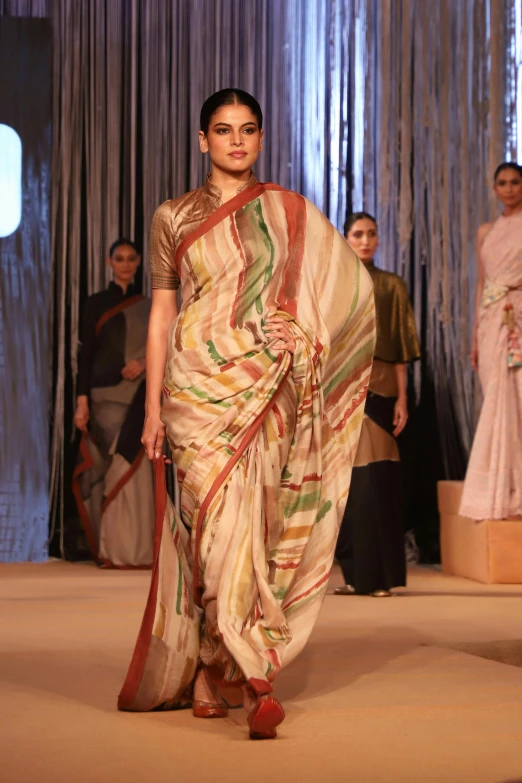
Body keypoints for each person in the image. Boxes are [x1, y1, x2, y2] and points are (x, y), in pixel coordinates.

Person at [117, 89, 376, 739]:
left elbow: (329, 295)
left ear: (261, 138)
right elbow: (163, 310)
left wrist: (300, 334)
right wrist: (151, 405)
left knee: (246, 530)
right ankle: (239, 667)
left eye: (248, 129)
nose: (237, 140)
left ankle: (220, 665)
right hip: (194, 392)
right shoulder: (173, 216)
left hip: (264, 389)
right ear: (202, 139)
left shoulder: (282, 214)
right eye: (224, 130)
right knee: (209, 529)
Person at [334, 212, 421, 597]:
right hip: (341, 390)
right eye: (358, 234)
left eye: (371, 234)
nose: (365, 240)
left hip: (382, 392)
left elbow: (400, 348)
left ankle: (379, 577)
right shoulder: (334, 284)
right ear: (346, 239)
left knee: (377, 483)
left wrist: (403, 397)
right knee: (349, 488)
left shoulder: (392, 286)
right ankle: (356, 576)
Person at [72, 238, 154, 567]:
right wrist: (81, 403)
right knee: (111, 468)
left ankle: (129, 549)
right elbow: (86, 355)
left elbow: (167, 347)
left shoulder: (150, 305)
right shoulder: (95, 303)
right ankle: (110, 547)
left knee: (132, 465)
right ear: (109, 262)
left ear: (137, 263)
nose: (124, 264)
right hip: (103, 396)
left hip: (139, 397)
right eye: (118, 258)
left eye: (131, 258)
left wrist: (147, 361)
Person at [460, 162, 522, 520]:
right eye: (503, 183)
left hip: (518, 315)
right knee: (495, 396)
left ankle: (512, 494)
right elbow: (482, 284)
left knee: (514, 396)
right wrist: (475, 337)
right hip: (490, 320)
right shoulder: (487, 231)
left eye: (515, 182)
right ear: (494, 188)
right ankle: (494, 491)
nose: (509, 188)